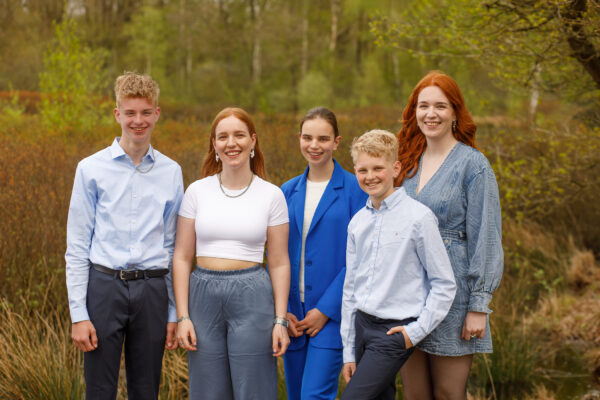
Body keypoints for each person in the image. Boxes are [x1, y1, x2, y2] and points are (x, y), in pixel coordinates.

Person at [65, 72, 184, 399]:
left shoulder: (171, 172)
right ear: (117, 114)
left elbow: (173, 246)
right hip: (104, 288)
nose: (138, 121)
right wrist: (79, 314)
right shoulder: (90, 169)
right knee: (100, 391)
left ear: (157, 114)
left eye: (146, 112)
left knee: (146, 390)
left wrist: (174, 312)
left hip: (152, 291)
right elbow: (76, 247)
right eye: (130, 113)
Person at [397, 71, 504, 400]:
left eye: (440, 106)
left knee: (448, 393)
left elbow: (485, 237)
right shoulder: (405, 163)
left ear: (456, 112)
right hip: (407, 296)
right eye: (423, 105)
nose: (431, 114)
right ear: (414, 111)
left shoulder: (474, 166)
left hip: (455, 299)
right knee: (415, 395)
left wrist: (478, 305)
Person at [172, 107, 291, 400]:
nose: (231, 143)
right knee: (207, 391)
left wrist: (280, 321)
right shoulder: (197, 191)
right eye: (222, 137)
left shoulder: (271, 195)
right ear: (214, 144)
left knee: (254, 389)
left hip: (252, 295)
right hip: (202, 296)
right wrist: (183, 316)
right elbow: (182, 257)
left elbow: (278, 262)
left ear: (253, 141)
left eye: (239, 135)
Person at [340, 129, 456, 400]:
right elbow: (351, 289)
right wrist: (348, 349)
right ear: (355, 170)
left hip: (393, 333)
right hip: (361, 328)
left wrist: (414, 332)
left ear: (395, 168)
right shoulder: (357, 223)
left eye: (378, 168)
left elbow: (444, 283)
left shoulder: (419, 218)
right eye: (362, 170)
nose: (370, 177)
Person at [281, 107, 367, 400]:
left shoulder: (355, 189)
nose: (314, 145)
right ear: (299, 139)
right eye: (307, 137)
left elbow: (361, 258)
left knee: (315, 396)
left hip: (331, 317)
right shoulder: (287, 191)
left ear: (337, 142)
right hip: (292, 317)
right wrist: (282, 310)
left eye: (323, 138)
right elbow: (277, 255)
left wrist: (326, 310)